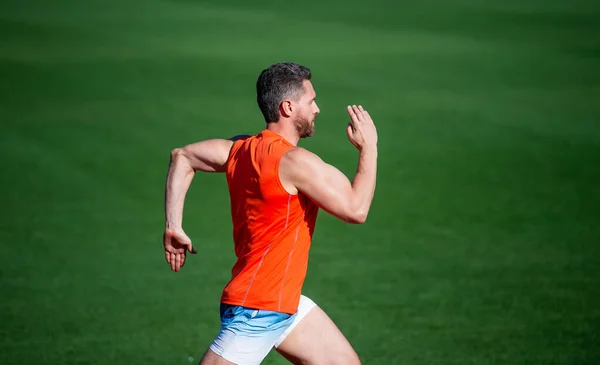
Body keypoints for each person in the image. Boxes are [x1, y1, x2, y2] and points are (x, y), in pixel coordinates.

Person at [163, 62, 378, 365]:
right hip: (259, 307)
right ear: (288, 107)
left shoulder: (240, 149)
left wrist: (174, 225)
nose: (317, 109)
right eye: (311, 101)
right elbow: (356, 209)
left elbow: (182, 156)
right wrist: (369, 148)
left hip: (282, 301)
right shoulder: (295, 162)